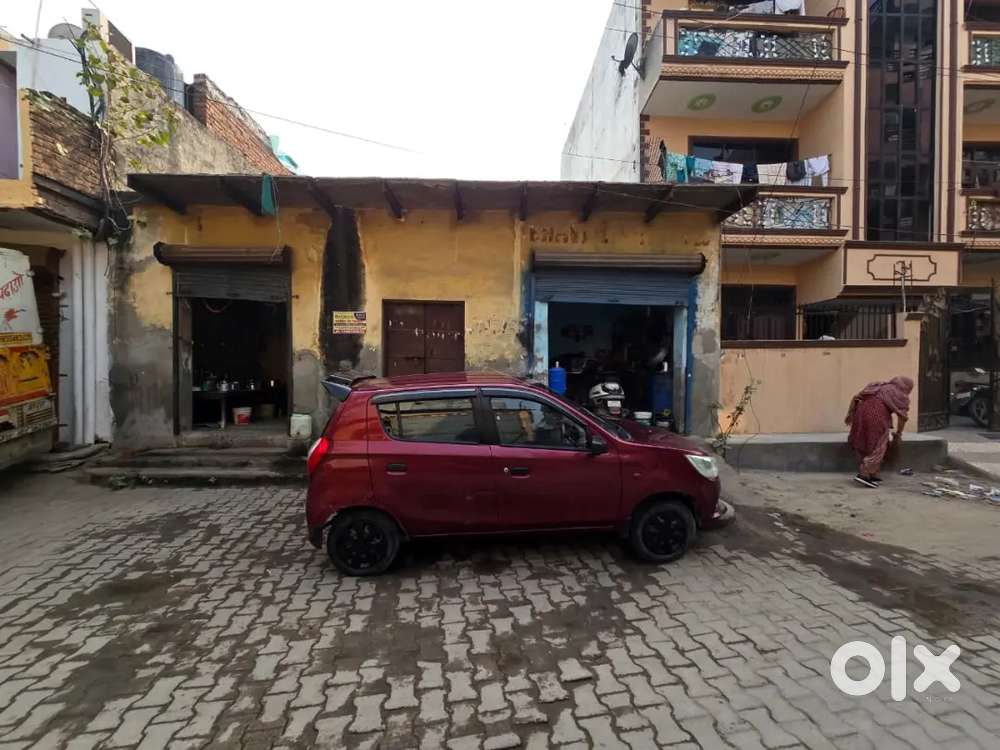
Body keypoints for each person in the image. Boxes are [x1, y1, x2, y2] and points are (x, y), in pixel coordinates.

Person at [845, 376, 914, 488]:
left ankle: (873, 473)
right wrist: (898, 433)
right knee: (879, 445)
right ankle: (864, 473)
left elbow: (858, 397)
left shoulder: (878, 386)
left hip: (860, 413)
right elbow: (902, 417)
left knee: (866, 441)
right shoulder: (900, 395)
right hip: (877, 416)